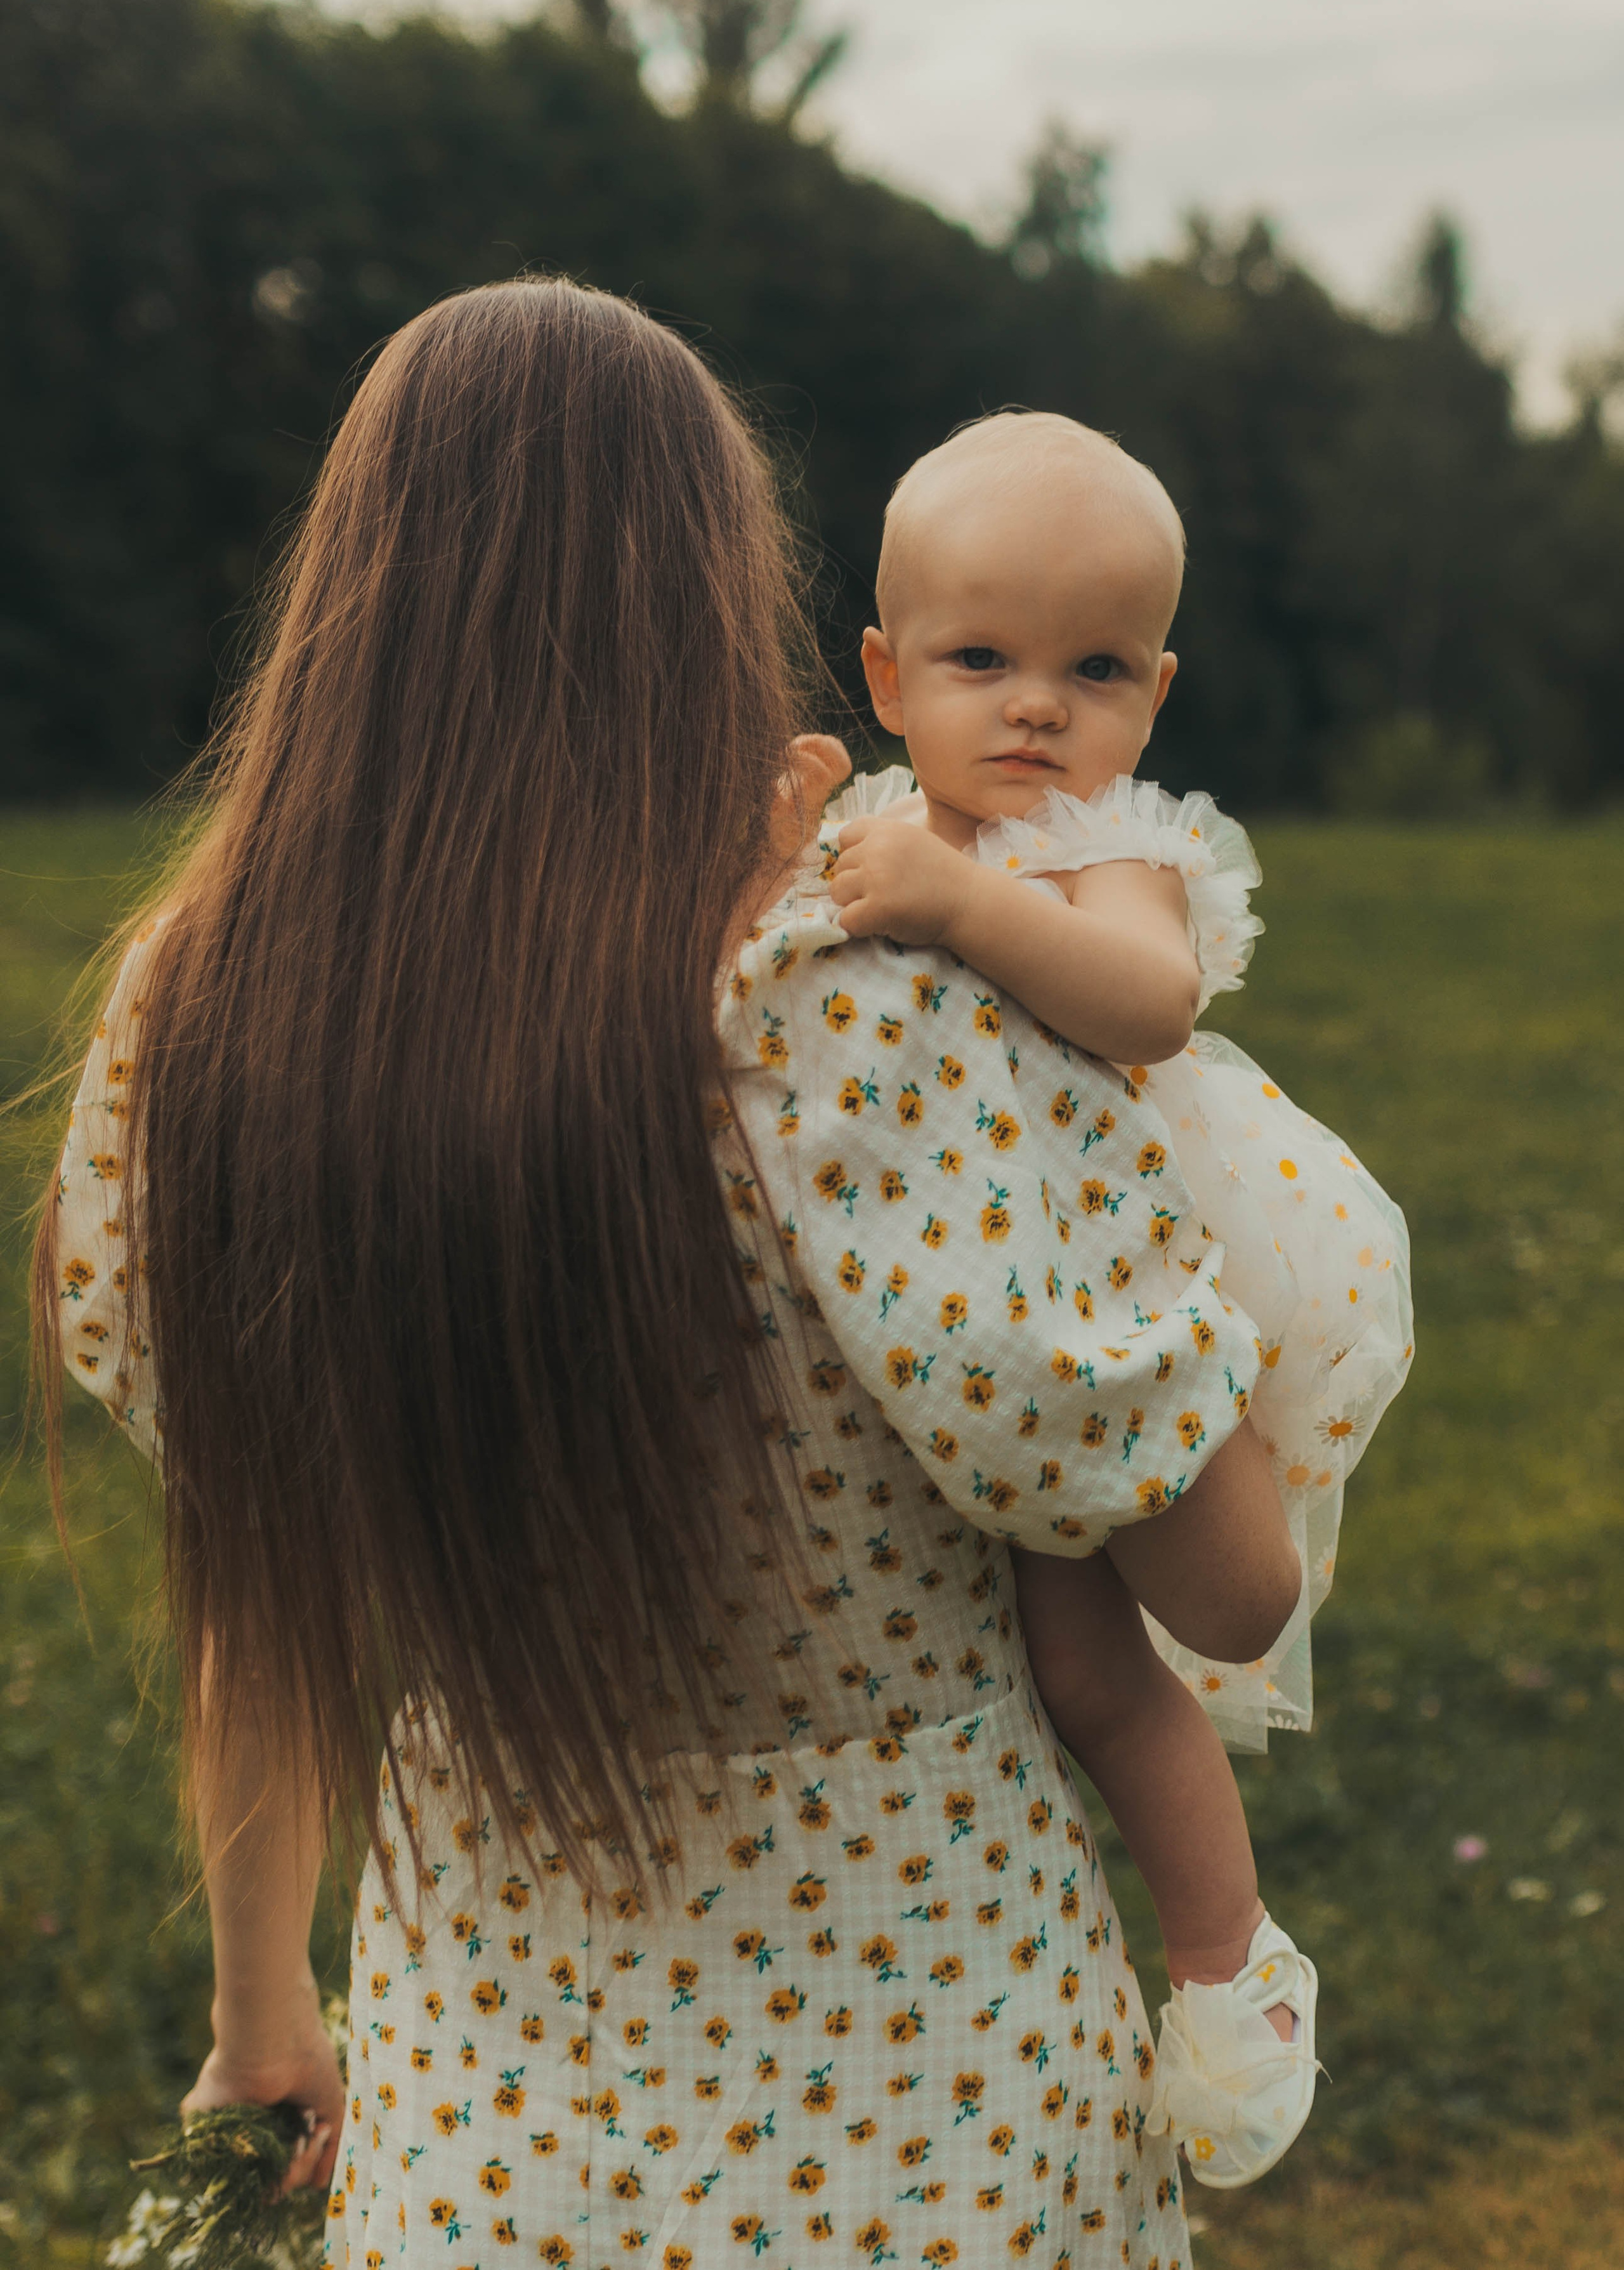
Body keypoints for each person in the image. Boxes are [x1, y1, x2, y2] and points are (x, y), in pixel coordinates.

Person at [41, 282, 1302, 2268]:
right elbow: (1231, 1585)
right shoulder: (865, 1013)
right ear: (719, 593)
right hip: (932, 2103)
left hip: (489, 2132)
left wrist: (262, 2012)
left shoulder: (196, 1027)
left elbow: (263, 1579)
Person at [782, 409, 1412, 2187]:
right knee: (1040, 1660)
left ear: (1156, 691)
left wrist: (967, 913)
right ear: (890, 677)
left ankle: (1227, 1958)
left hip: (1127, 1290)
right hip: (973, 1305)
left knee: (1114, 1653)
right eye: (984, 660)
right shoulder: (884, 823)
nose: (1038, 709)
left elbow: (1143, 1000)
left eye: (1097, 667)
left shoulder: (1104, 847)